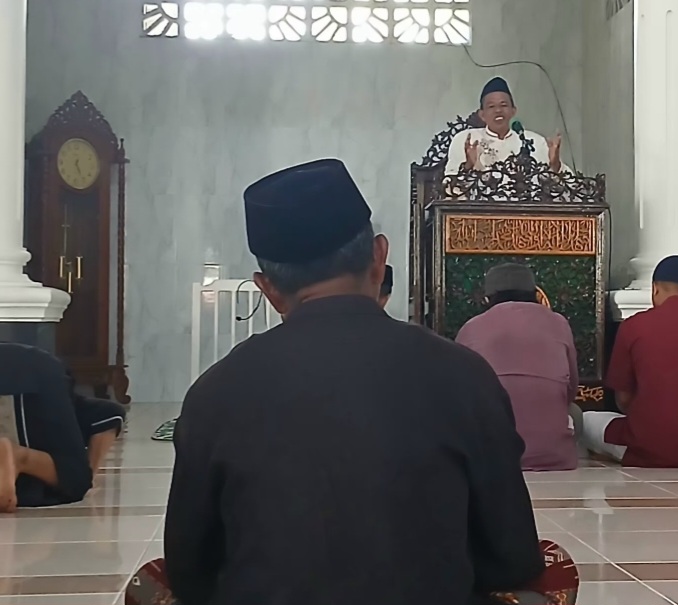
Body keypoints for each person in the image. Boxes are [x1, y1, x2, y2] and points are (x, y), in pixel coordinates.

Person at [136, 159, 577, 605]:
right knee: (553, 570)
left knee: (151, 583)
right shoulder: (465, 374)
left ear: (268, 290)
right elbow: (512, 557)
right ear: (379, 257)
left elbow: (189, 571)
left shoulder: (213, 393)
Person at [579, 255, 678, 468]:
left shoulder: (634, 327)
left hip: (648, 449)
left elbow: (623, 398)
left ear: (654, 289)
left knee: (585, 420)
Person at [456, 263, 578, 471]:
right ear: (535, 294)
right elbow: (571, 389)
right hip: (554, 457)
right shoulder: (559, 323)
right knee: (576, 413)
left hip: (489, 457)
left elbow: (459, 395)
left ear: (488, 299)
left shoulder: (471, 327)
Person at [0, 343, 125, 512]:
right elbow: (109, 414)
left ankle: (20, 456)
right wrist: (84, 476)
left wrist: (79, 480)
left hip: (22, 381)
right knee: (73, 478)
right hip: (43, 366)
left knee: (67, 481)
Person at [446, 77, 565, 175]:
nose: (498, 110)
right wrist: (468, 166)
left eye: (503, 105)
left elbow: (567, 186)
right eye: (491, 106)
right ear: (482, 115)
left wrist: (555, 165)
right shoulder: (467, 139)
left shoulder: (535, 141)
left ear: (513, 111)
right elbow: (449, 187)